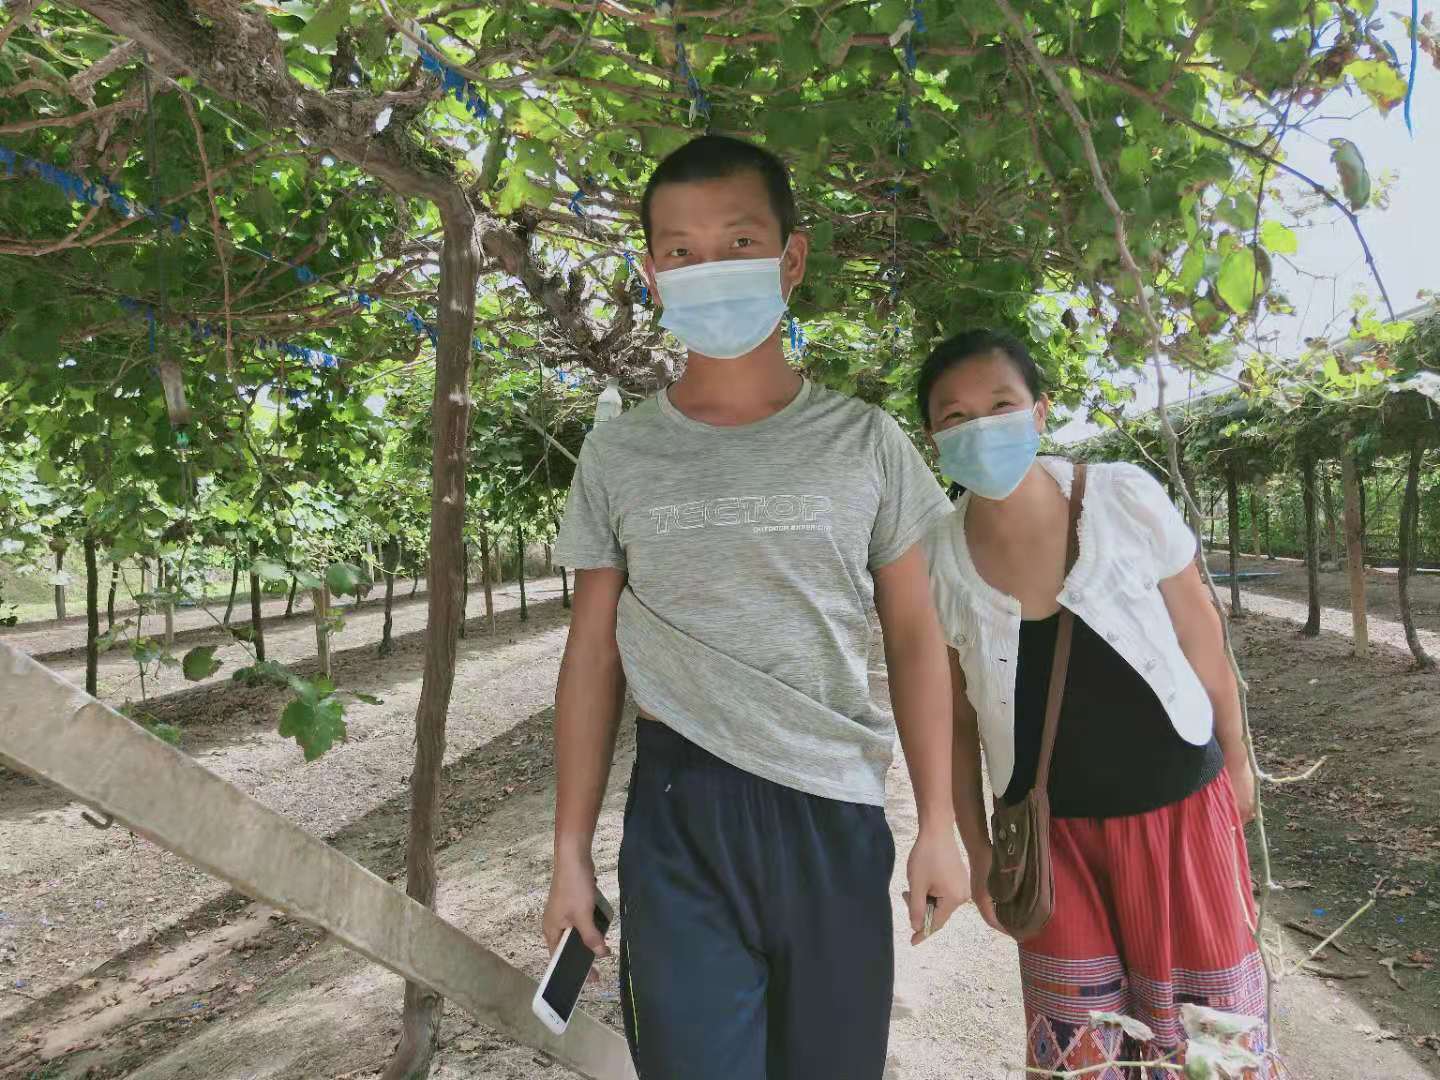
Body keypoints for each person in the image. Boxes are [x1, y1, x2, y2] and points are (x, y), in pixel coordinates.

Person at [543, 134, 969, 1079]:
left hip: (832, 808)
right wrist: (569, 849)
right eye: (681, 250)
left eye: (739, 242)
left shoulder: (866, 441)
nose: (711, 268)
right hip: (679, 810)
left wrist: (938, 823)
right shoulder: (618, 455)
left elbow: (915, 636)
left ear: (791, 256)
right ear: (652, 273)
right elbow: (592, 655)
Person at [916, 329, 1271, 1076]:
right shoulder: (937, 556)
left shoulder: (1119, 497)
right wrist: (977, 850)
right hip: (1050, 846)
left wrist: (1238, 759)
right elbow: (955, 721)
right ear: (934, 439)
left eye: (1001, 405)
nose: (981, 428)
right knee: (1079, 1053)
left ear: (1040, 411)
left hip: (1181, 811)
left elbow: (1200, 632)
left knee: (1209, 1042)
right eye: (955, 417)